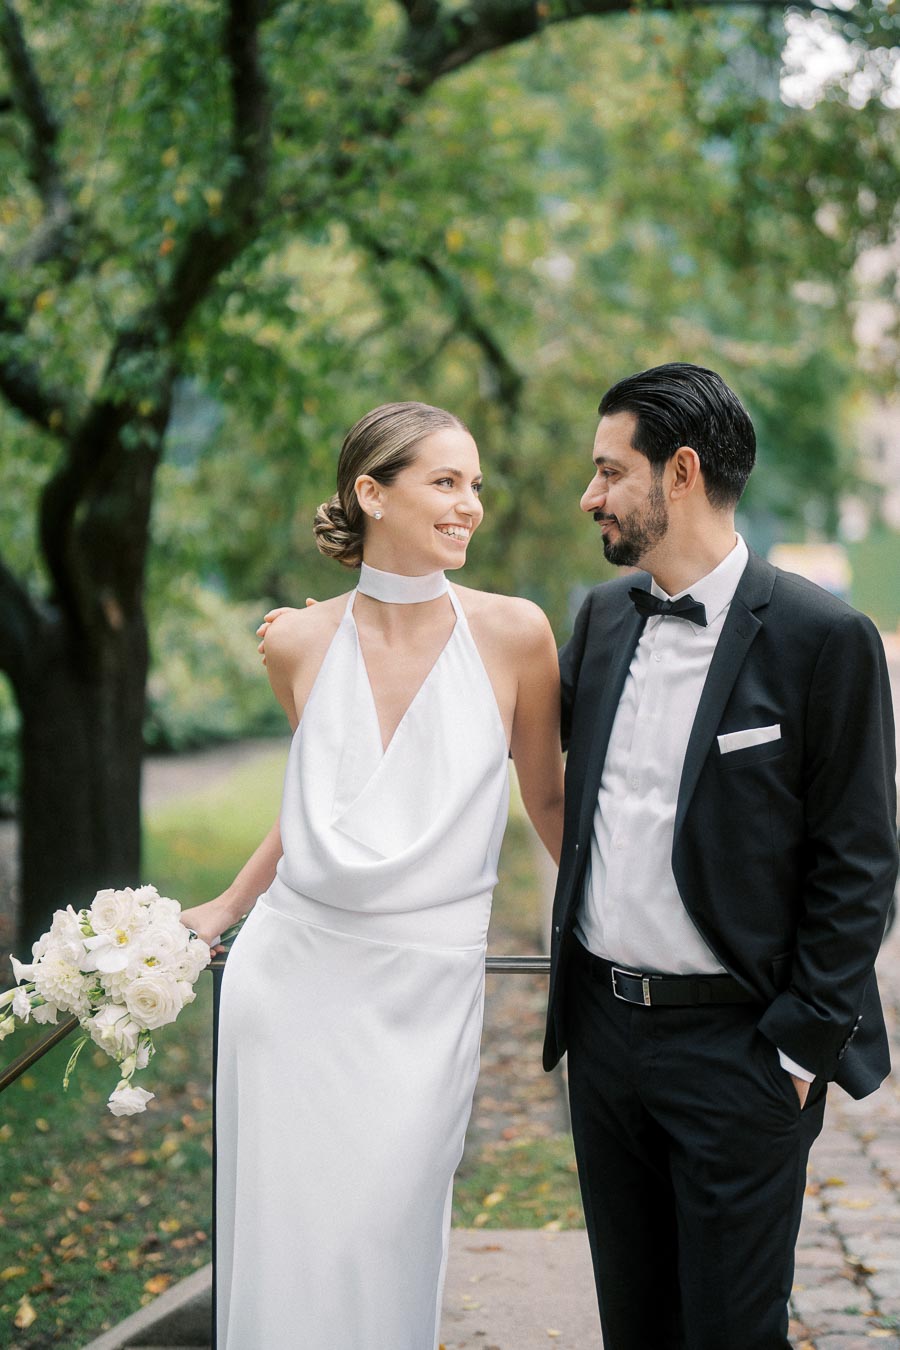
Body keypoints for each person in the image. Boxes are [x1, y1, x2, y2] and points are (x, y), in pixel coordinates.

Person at [180, 401, 564, 1350]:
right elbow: (322, 800)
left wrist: (622, 931)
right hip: (291, 978)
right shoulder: (296, 640)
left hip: (424, 991)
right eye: (445, 482)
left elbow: (551, 805)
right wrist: (229, 905)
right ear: (371, 492)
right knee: (286, 1240)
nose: (470, 504)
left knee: (386, 1233)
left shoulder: (515, 634)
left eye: (474, 484)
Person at [544, 362, 899, 1350]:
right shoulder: (603, 617)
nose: (591, 495)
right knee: (637, 1329)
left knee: (734, 1335)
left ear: (682, 473)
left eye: (610, 471)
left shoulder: (824, 637)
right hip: (605, 1041)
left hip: (740, 1052)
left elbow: (861, 861)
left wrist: (793, 1056)